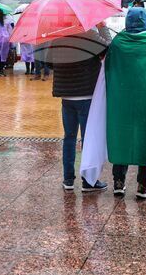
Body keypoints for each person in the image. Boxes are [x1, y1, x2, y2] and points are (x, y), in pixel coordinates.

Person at [87, 7, 146, 199]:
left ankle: (119, 183)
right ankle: (144, 186)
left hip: (122, 104)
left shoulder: (118, 43)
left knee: (123, 138)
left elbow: (108, 69)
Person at [47, 25, 111, 191]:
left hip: (66, 95)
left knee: (69, 137)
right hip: (86, 94)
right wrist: (103, 27)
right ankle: (88, 182)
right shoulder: (89, 35)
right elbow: (110, 50)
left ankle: (68, 180)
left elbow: (48, 62)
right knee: (88, 138)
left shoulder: (57, 37)